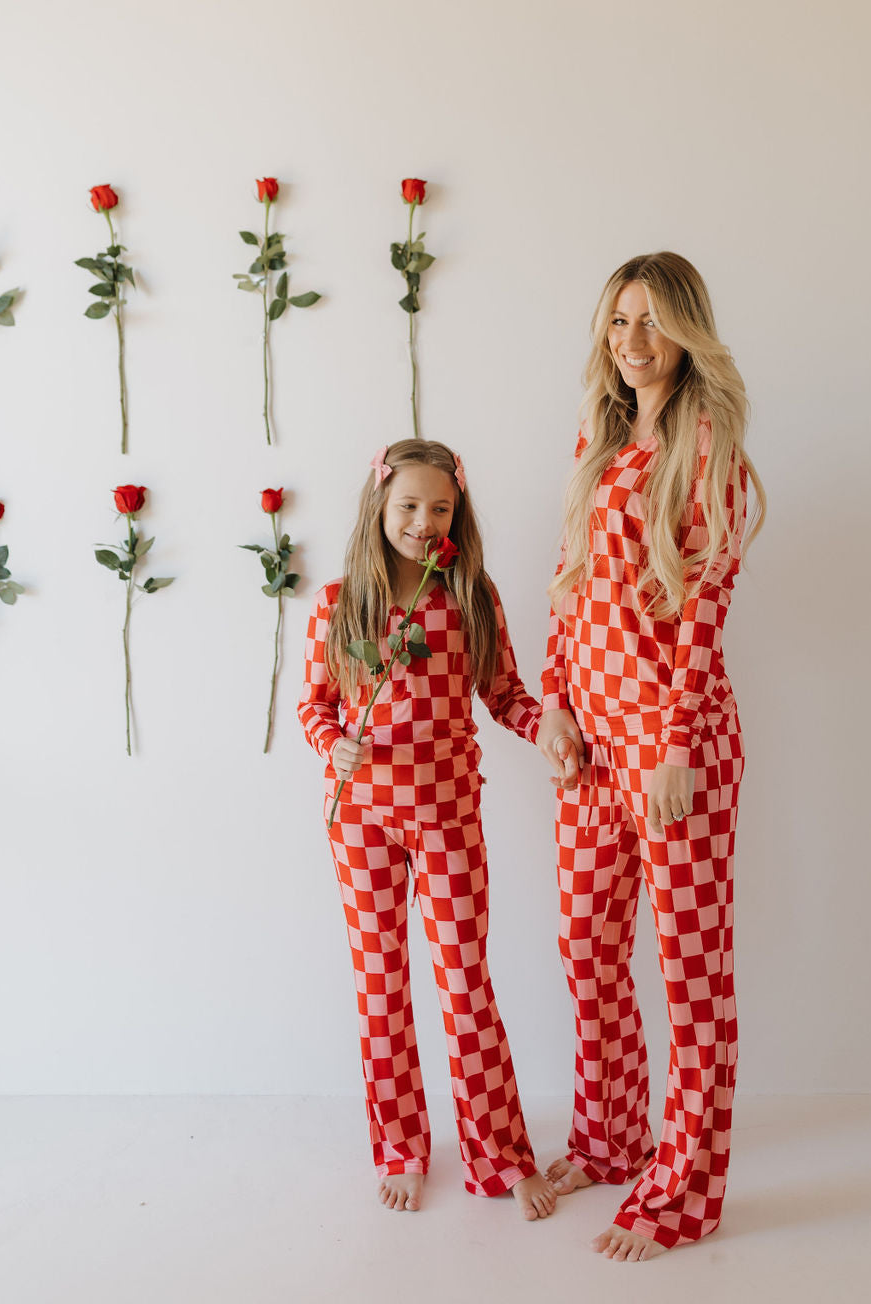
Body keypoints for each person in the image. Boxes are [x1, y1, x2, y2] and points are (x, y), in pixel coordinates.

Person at [536, 252, 765, 1261]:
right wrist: (555, 705)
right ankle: (612, 1137)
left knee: (689, 972)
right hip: (592, 748)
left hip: (676, 749)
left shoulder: (706, 441)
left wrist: (672, 744)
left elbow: (702, 607)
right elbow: (568, 581)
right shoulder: (601, 436)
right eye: (617, 320)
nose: (630, 340)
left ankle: (685, 1192)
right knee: (586, 947)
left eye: (650, 320)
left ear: (686, 330)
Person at [298, 438, 557, 1222]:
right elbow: (314, 706)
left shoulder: (471, 598)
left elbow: (507, 693)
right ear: (379, 506)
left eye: (439, 508)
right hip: (362, 820)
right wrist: (330, 740)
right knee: (382, 987)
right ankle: (402, 1148)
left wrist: (549, 728)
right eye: (408, 506)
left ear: (457, 515)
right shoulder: (340, 604)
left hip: (447, 817)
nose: (422, 521)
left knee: (464, 985)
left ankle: (499, 1153)